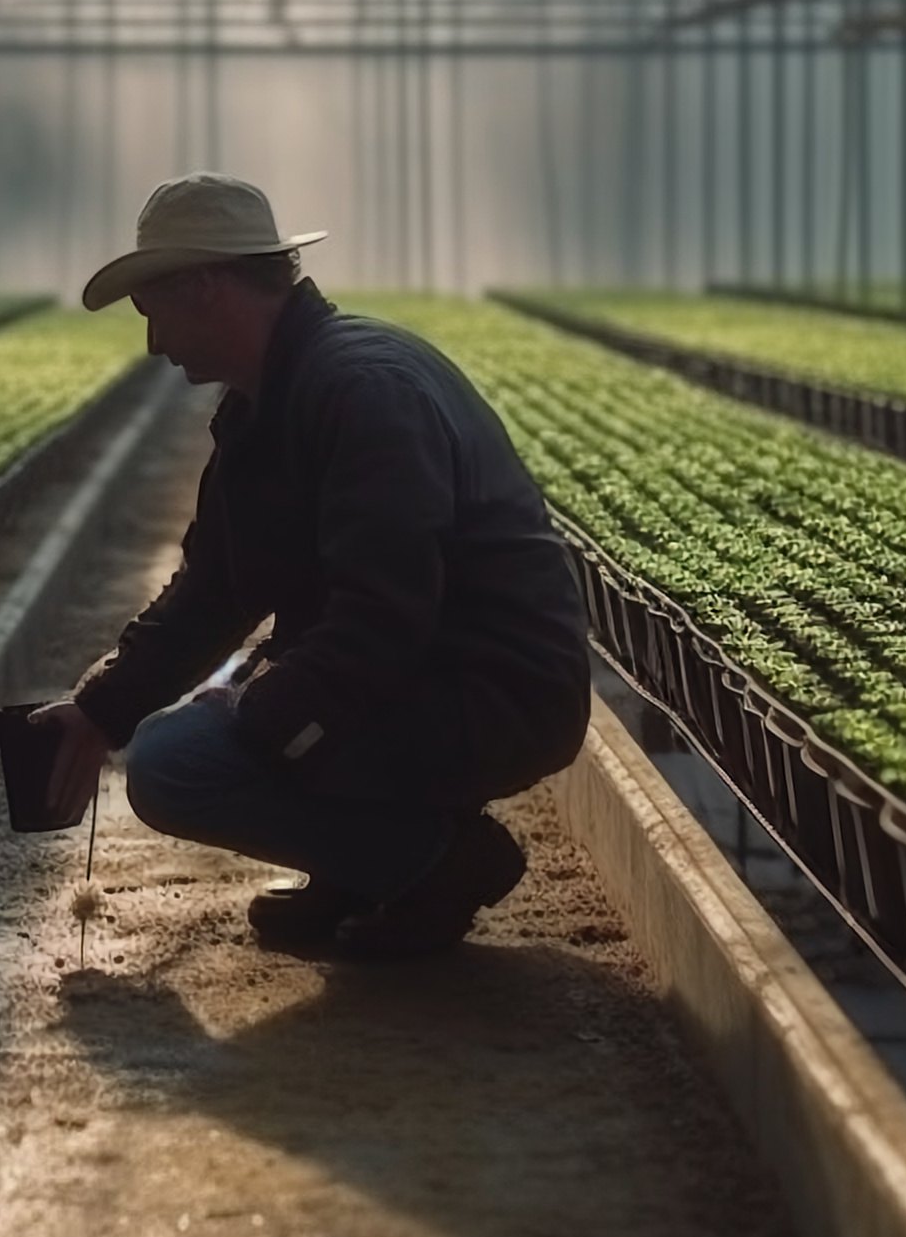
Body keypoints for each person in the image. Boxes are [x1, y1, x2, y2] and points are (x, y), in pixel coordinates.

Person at [31, 171, 592, 958]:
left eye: (155, 316)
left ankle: (433, 863)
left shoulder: (361, 390)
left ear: (205, 288)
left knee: (178, 763)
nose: (154, 346)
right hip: (432, 674)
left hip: (494, 694)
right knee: (236, 713)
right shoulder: (276, 400)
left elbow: (386, 614)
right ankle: (364, 867)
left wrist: (261, 711)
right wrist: (102, 710)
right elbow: (217, 587)